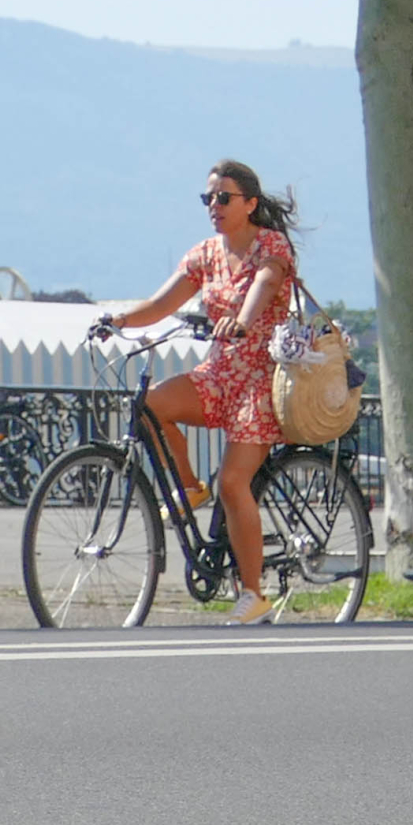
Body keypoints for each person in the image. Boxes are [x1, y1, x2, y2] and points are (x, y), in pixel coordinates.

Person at [101, 161, 298, 621]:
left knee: (233, 482)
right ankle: (189, 487)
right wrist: (118, 321)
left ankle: (253, 594)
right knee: (150, 407)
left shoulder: (271, 244)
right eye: (208, 198)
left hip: (261, 378)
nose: (214, 206)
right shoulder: (205, 254)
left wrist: (244, 321)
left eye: (224, 197)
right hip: (220, 372)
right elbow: (162, 302)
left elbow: (266, 284)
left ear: (250, 204)